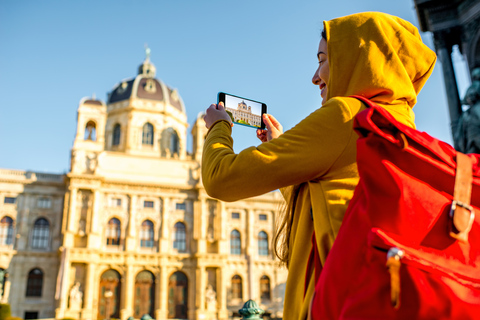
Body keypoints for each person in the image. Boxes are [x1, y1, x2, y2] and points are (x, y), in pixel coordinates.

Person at [202, 12, 436, 320]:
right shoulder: (402, 126)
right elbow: (326, 202)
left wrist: (219, 128)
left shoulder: (346, 116)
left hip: (333, 304)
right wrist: (282, 147)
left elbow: (221, 178)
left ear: (357, 58)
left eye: (323, 59)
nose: (315, 76)